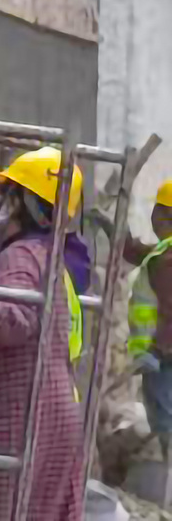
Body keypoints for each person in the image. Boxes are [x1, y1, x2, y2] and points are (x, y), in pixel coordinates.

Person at [0, 148, 87, 521]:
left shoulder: (20, 257)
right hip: (54, 411)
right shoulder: (51, 258)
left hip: (19, 415)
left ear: (29, 205)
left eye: (9, 196)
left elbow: (15, 321)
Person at [121, 181, 172, 460]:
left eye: (156, 211)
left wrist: (157, 349)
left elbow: (169, 309)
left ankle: (166, 479)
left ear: (165, 215)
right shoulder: (164, 251)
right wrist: (116, 230)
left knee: (164, 415)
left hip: (164, 355)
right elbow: (137, 252)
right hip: (163, 353)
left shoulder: (167, 260)